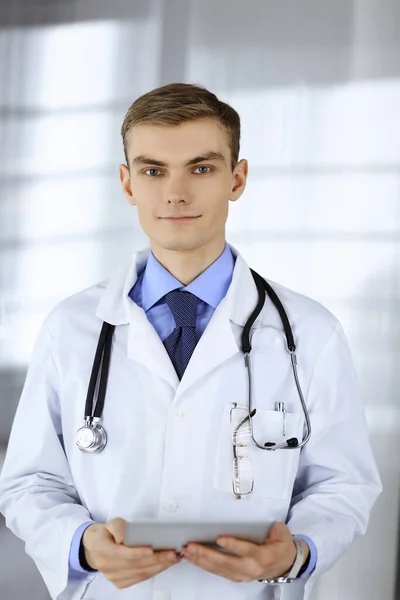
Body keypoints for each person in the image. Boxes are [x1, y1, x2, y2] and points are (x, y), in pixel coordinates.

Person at [0, 83, 381, 600]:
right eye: (153, 170)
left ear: (237, 178)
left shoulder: (310, 333)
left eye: (201, 168)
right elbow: (28, 483)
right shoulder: (70, 328)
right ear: (127, 182)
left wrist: (296, 552)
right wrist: (82, 543)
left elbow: (342, 485)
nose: (175, 193)